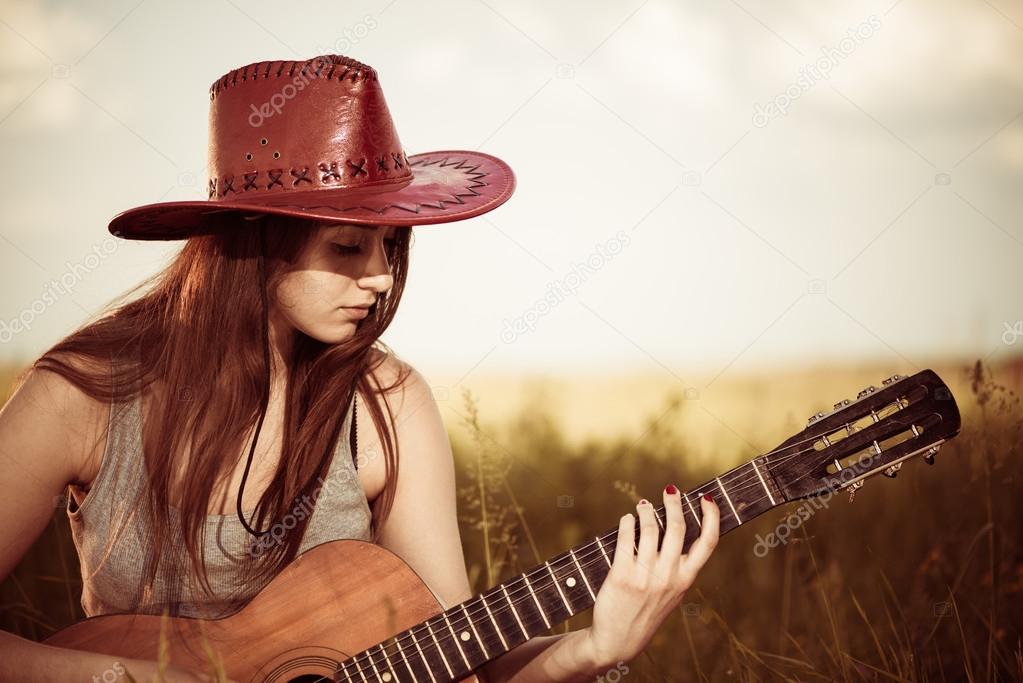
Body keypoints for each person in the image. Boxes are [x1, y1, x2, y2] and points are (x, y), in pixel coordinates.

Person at [0, 54, 719, 683]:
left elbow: (457, 656)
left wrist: (594, 646)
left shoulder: (389, 402)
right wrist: (123, 675)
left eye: (388, 246)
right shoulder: (81, 392)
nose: (379, 278)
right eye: (348, 248)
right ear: (253, 239)